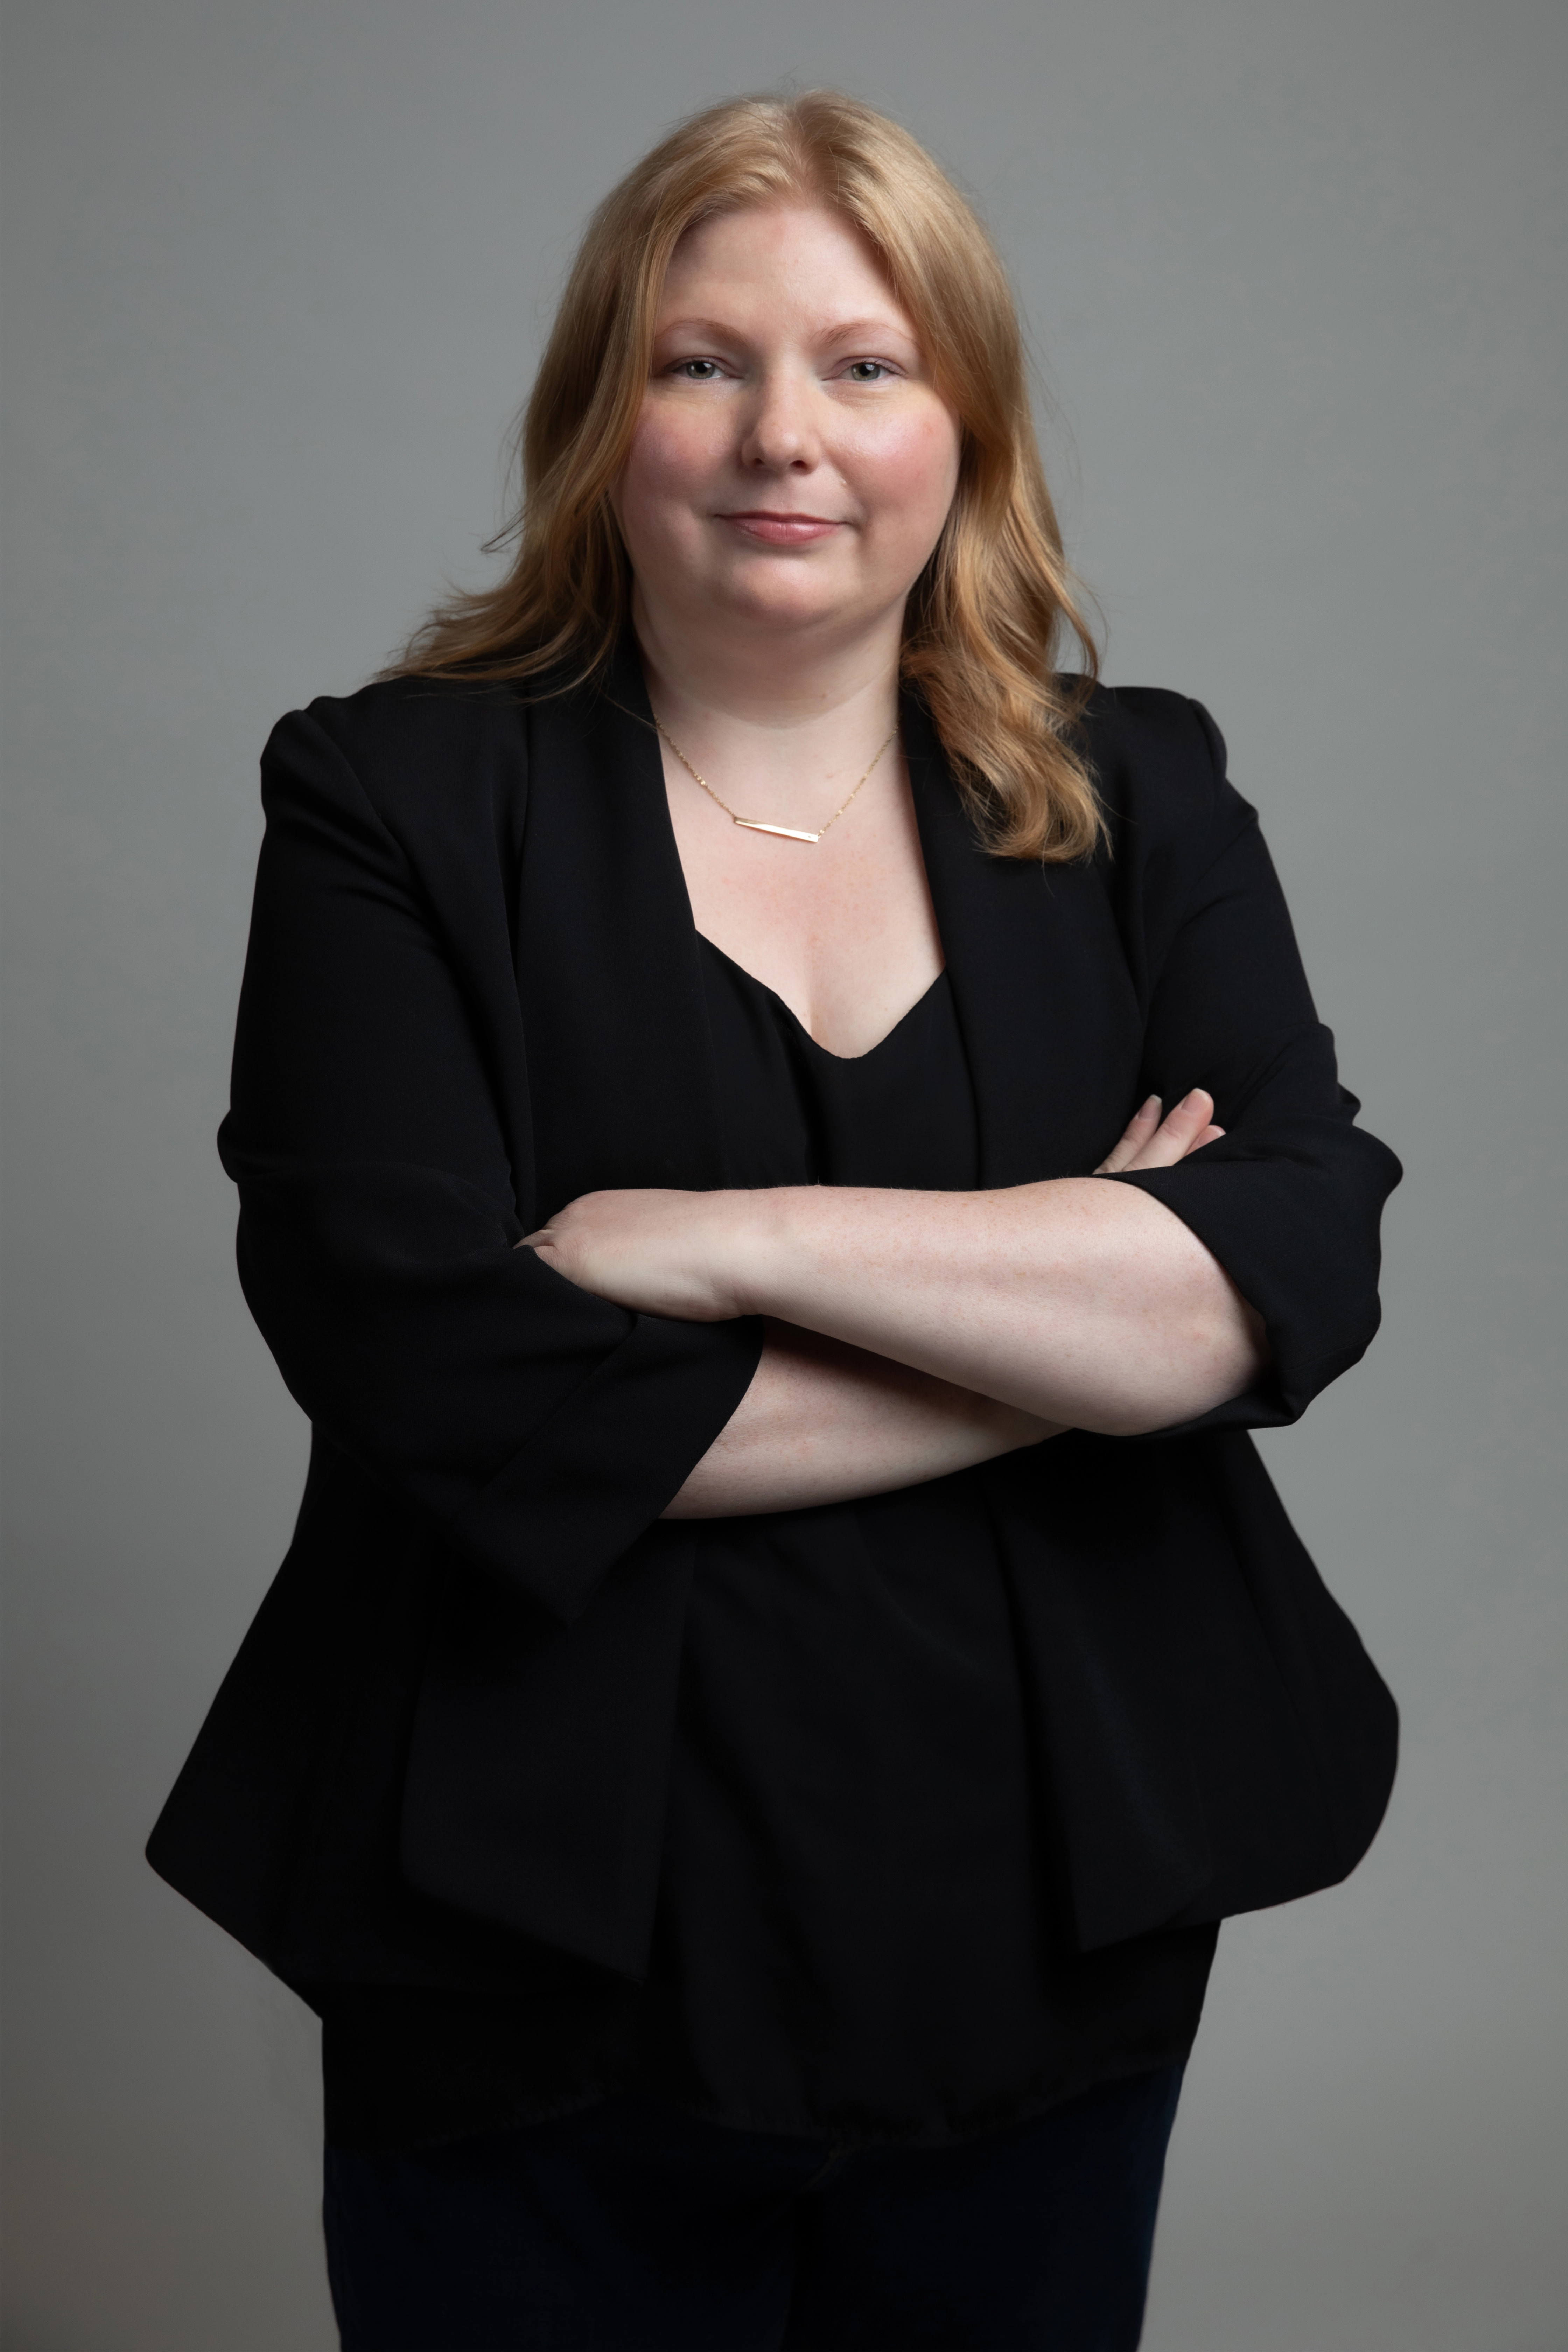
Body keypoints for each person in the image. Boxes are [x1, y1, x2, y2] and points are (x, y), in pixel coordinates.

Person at [148, 89, 1401, 2350]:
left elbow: (1294, 1269)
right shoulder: (388, 800)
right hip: (528, 1960)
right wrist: (1080, 1315)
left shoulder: (1146, 796)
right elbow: (444, 1383)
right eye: (701, 359)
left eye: (865, 363)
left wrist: (704, 1236)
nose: (779, 438)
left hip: (1055, 1933)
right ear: (599, 417)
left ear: (965, 430)